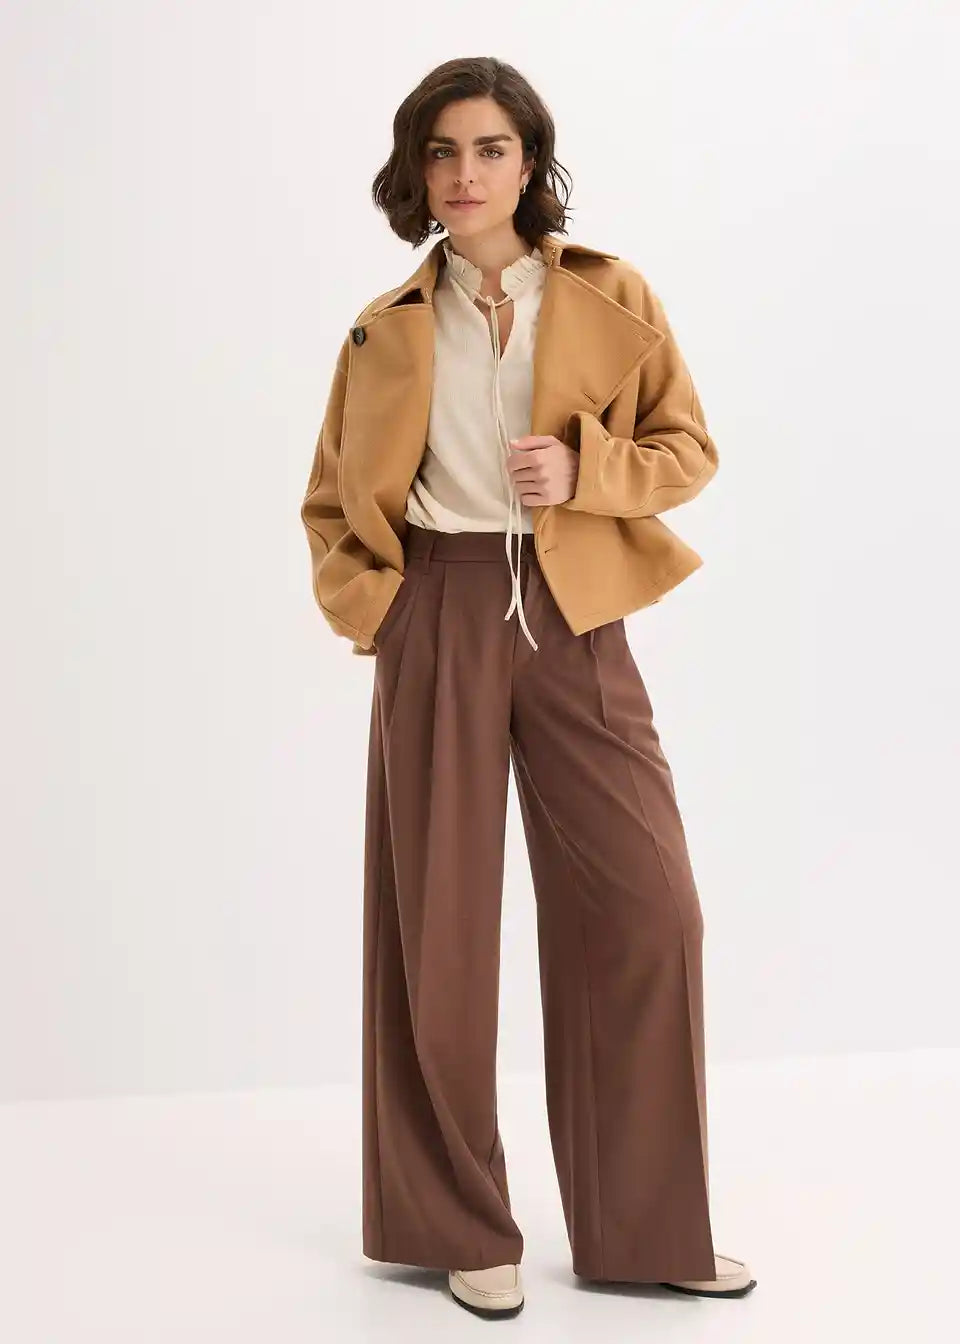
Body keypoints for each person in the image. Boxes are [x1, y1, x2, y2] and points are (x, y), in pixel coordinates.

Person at [300, 56, 756, 1319]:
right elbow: (330, 499)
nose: (466, 174)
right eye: (442, 151)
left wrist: (587, 469)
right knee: (437, 932)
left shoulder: (608, 294)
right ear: (418, 170)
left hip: (574, 613)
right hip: (437, 609)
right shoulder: (384, 328)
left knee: (650, 910)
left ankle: (646, 1226)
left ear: (529, 162)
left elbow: (688, 449)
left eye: (490, 149)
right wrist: (384, 611)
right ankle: (455, 1221)